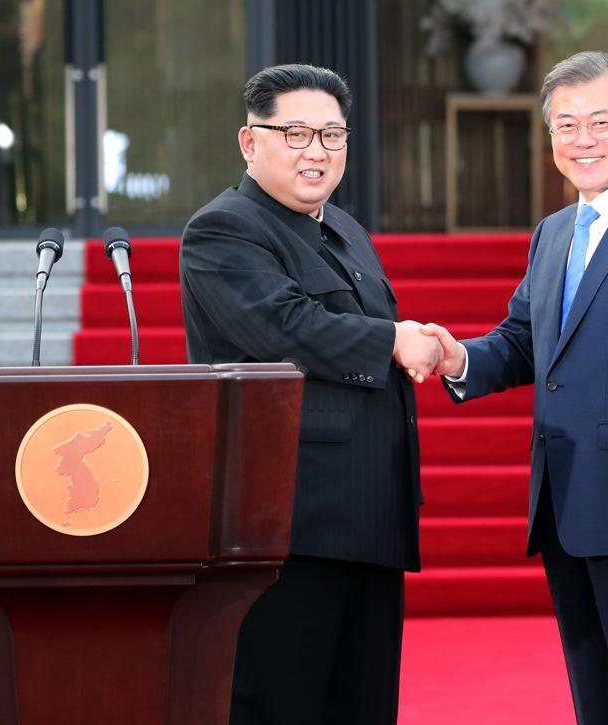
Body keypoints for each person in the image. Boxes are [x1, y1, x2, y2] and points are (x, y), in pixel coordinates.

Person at [422, 51, 608, 724]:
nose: (582, 140)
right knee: (599, 703)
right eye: (566, 125)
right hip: (565, 508)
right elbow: (524, 342)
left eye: (599, 122)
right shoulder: (554, 233)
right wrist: (457, 358)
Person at [179, 63, 441, 725]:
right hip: (288, 525)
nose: (316, 151)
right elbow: (284, 326)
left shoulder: (346, 229)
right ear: (249, 142)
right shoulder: (223, 229)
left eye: (331, 135)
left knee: (362, 705)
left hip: (369, 521)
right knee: (281, 703)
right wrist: (393, 338)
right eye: (295, 133)